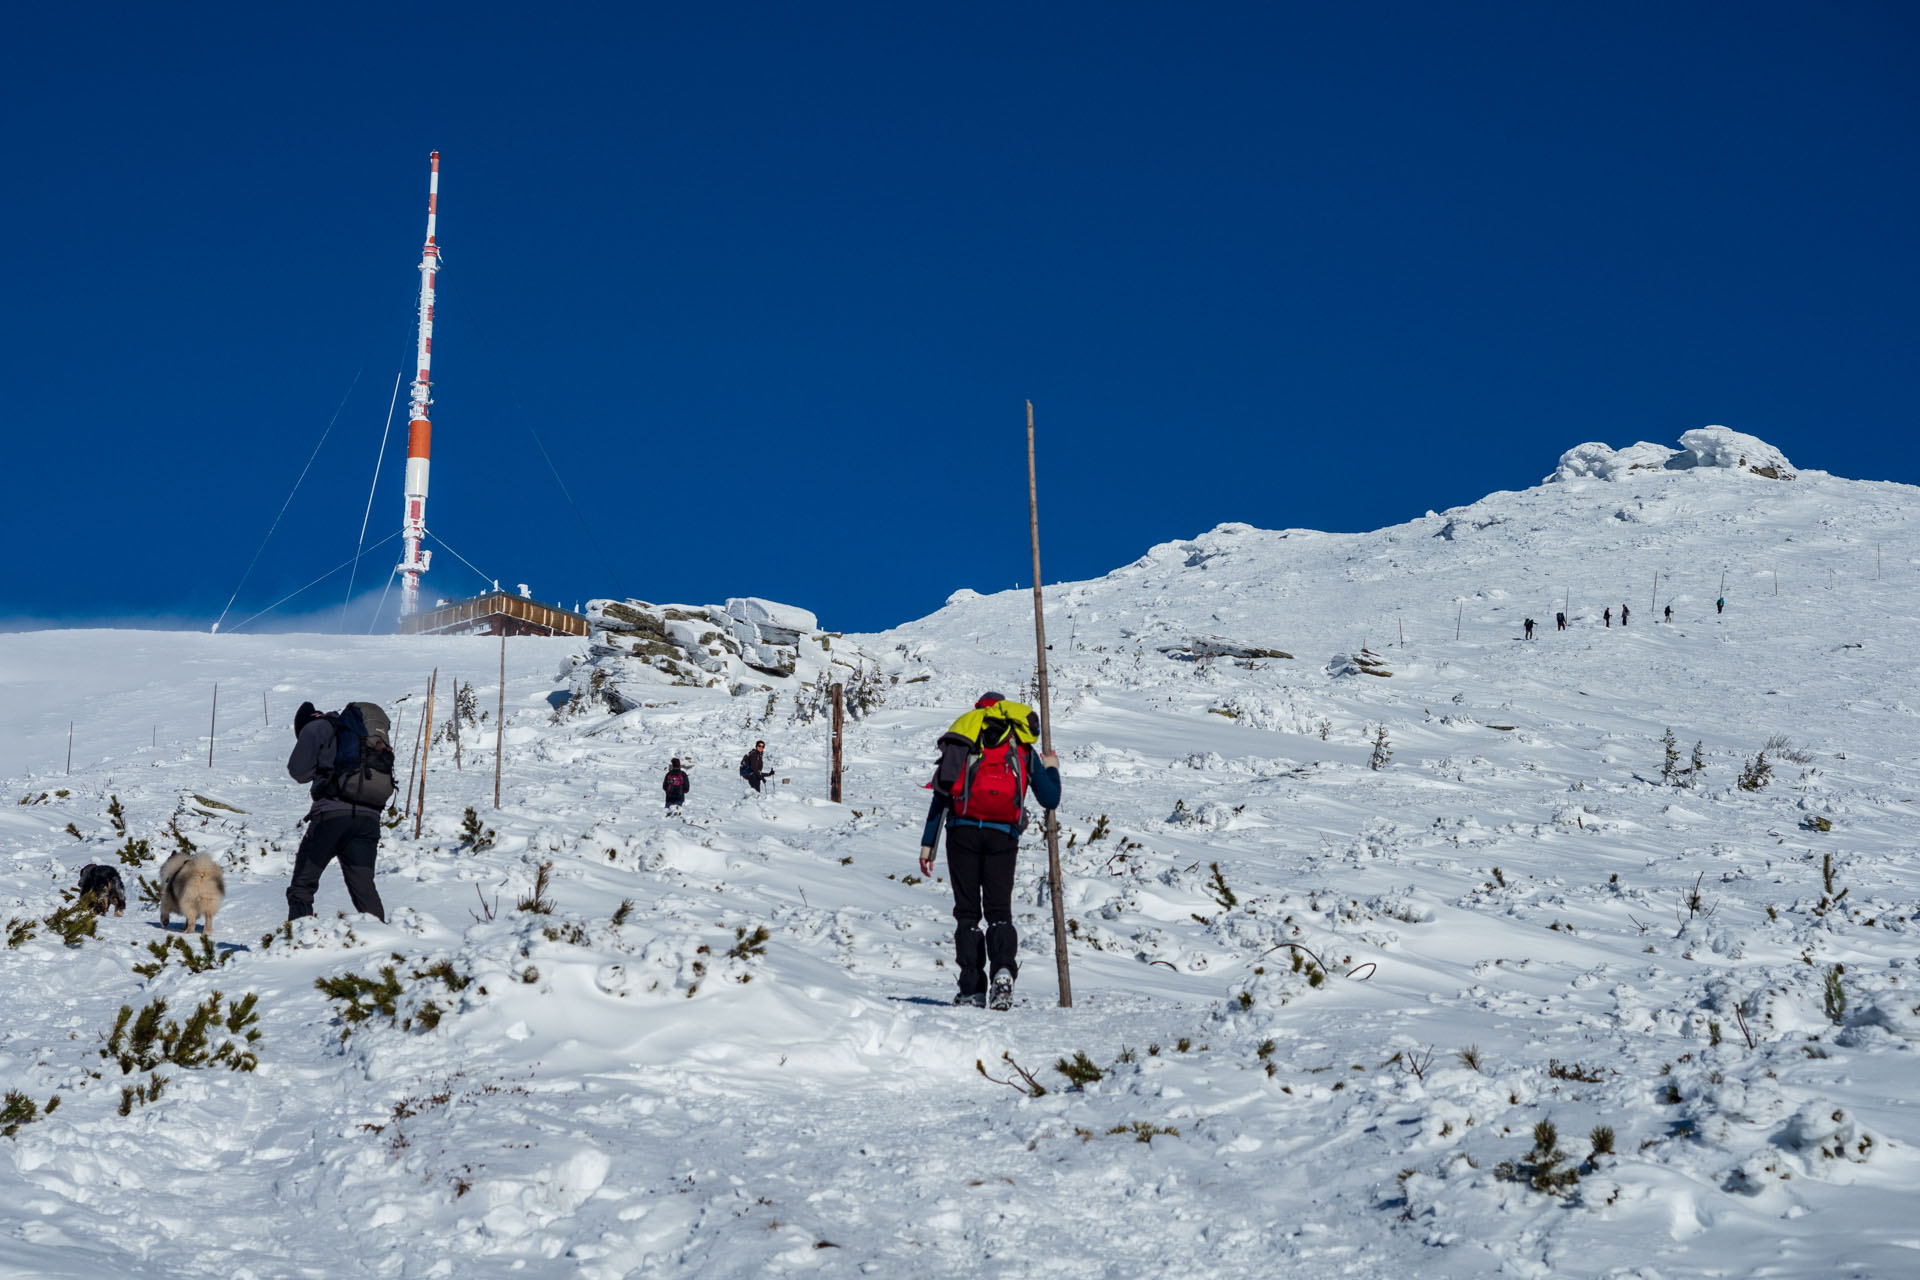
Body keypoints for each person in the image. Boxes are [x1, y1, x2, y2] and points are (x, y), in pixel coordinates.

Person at [919, 692, 1062, 1010]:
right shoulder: (1022, 747)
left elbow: (941, 795)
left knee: (968, 913)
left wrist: (929, 845)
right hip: (1003, 837)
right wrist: (1050, 767)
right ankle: (1002, 973)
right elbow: (1049, 798)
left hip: (962, 833)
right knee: (999, 911)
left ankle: (971, 988)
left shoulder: (966, 737)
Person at [285, 700, 388, 923]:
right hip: (369, 818)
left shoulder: (314, 727)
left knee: (303, 885)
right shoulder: (352, 731)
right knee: (364, 889)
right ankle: (382, 944)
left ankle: (296, 947)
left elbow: (298, 771)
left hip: (331, 817)